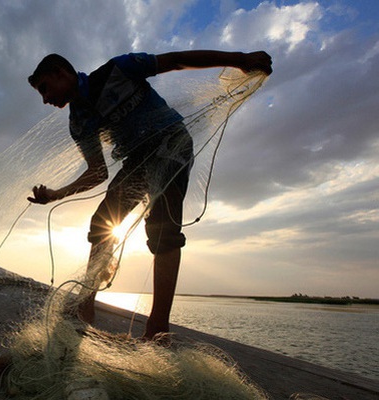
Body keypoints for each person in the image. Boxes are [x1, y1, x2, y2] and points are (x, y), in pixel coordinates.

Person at [27, 50, 272, 339]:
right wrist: (56, 194)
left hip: (171, 142)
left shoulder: (119, 69)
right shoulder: (79, 122)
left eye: (45, 88)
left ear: (60, 73)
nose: (45, 99)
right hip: (138, 162)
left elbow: (176, 61)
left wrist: (240, 60)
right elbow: (97, 172)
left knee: (162, 230)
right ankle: (85, 307)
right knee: (102, 223)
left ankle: (158, 328)